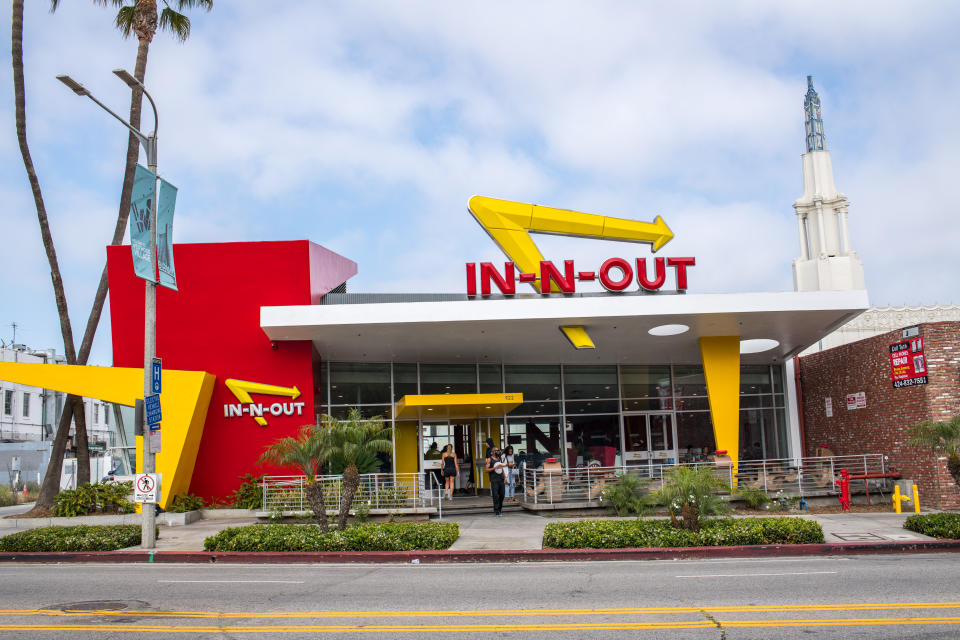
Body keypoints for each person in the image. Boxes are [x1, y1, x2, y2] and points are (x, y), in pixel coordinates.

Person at [485, 445, 506, 516]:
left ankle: (500, 509)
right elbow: (486, 470)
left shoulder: (499, 459)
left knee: (502, 494)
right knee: (495, 495)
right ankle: (497, 511)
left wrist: (505, 477)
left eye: (498, 450)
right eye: (496, 450)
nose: (498, 451)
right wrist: (495, 468)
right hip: (494, 479)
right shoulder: (489, 459)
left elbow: (501, 468)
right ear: (493, 452)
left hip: (501, 478)